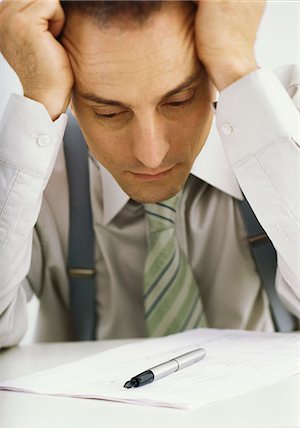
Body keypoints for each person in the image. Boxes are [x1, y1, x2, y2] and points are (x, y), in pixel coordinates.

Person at [0, 0, 299, 347]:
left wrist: (236, 66)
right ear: (72, 96)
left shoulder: (284, 124)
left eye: (179, 100)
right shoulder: (31, 165)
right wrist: (40, 98)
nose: (151, 155)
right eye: (108, 113)